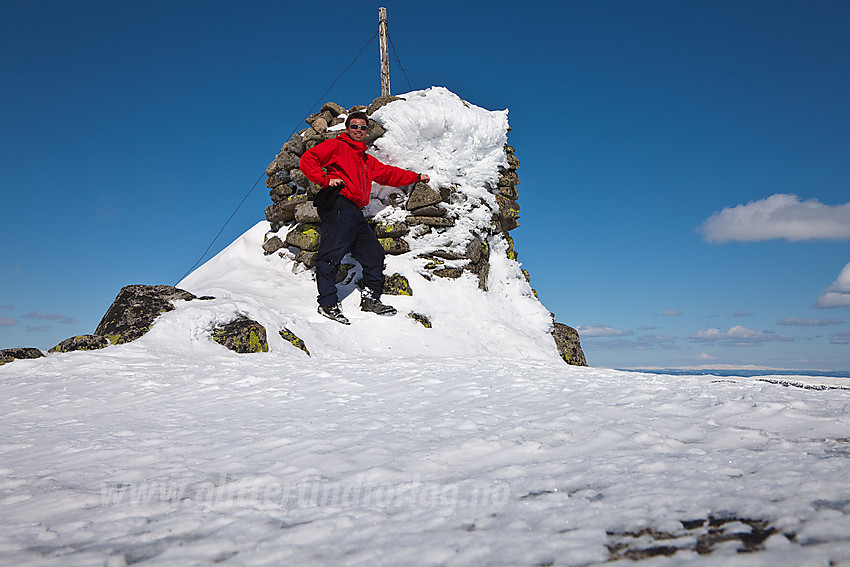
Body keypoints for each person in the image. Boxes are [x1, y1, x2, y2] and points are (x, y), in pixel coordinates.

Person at [299, 111, 430, 325]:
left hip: (355, 211)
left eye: (362, 127)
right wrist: (324, 180)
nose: (358, 130)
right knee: (330, 256)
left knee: (374, 255)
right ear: (347, 128)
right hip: (338, 203)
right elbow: (308, 159)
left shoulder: (366, 159)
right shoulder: (336, 146)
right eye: (354, 126)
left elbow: (389, 174)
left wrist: (415, 177)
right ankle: (328, 303)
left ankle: (370, 299)